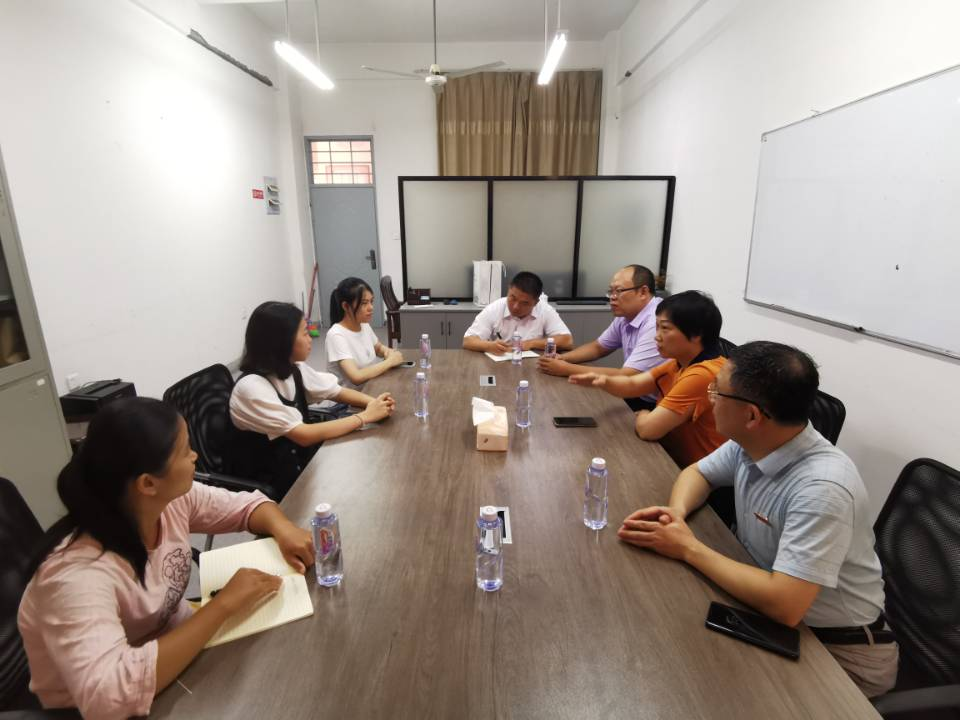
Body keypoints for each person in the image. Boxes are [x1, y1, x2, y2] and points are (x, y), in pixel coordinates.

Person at [617, 341, 898, 697]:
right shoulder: (754, 440)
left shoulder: (823, 488)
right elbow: (698, 474)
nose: (710, 398)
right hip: (771, 611)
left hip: (840, 652)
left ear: (752, 415)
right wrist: (677, 514)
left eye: (717, 391)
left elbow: (785, 604)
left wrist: (687, 548)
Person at [18, 397, 314, 719]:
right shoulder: (75, 575)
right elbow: (109, 696)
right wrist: (224, 605)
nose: (195, 456)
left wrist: (284, 529)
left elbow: (246, 506)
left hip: (179, 651)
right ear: (148, 483)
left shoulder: (166, 502)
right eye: (185, 450)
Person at [230, 301, 395, 495]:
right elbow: (304, 435)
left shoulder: (293, 369)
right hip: (270, 487)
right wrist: (365, 417)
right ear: (282, 342)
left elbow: (336, 392)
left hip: (302, 467)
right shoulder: (251, 389)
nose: (311, 339)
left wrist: (373, 403)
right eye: (305, 333)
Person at [569, 290, 725, 469]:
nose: (657, 336)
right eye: (657, 327)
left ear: (696, 334)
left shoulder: (703, 374)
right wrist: (604, 381)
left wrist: (644, 414)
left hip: (699, 473)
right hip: (672, 457)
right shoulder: (679, 363)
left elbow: (648, 430)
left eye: (665, 328)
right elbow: (634, 384)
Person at [538, 264, 665, 410]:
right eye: (611, 291)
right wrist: (562, 358)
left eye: (619, 291)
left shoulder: (656, 322)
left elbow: (628, 376)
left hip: (657, 403)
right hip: (635, 393)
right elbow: (598, 347)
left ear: (643, 292)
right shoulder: (626, 315)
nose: (612, 298)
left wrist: (565, 369)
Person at [462, 271, 573, 354]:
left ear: (536, 302)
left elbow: (567, 341)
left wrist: (531, 343)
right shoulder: (495, 308)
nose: (515, 307)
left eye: (524, 303)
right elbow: (468, 341)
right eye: (512, 298)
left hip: (533, 366)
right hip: (499, 364)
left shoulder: (545, 310)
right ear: (509, 289)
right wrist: (489, 346)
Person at [325, 277, 405, 389]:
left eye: (371, 301)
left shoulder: (363, 324)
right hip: (351, 398)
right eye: (364, 303)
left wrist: (387, 352)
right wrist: (390, 362)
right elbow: (356, 377)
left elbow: (378, 348)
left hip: (371, 387)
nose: (371, 307)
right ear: (346, 306)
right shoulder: (336, 335)